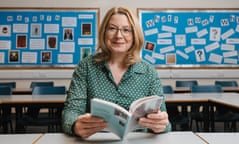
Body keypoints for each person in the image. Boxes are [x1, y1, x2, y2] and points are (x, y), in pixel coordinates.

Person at [62, 6, 171, 138]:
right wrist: (75, 125)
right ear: (104, 32)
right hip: (97, 140)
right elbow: (71, 111)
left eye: (126, 30)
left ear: (134, 35)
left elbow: (164, 121)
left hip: (138, 141)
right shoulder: (86, 67)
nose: (119, 35)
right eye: (112, 28)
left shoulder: (148, 71)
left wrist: (161, 125)